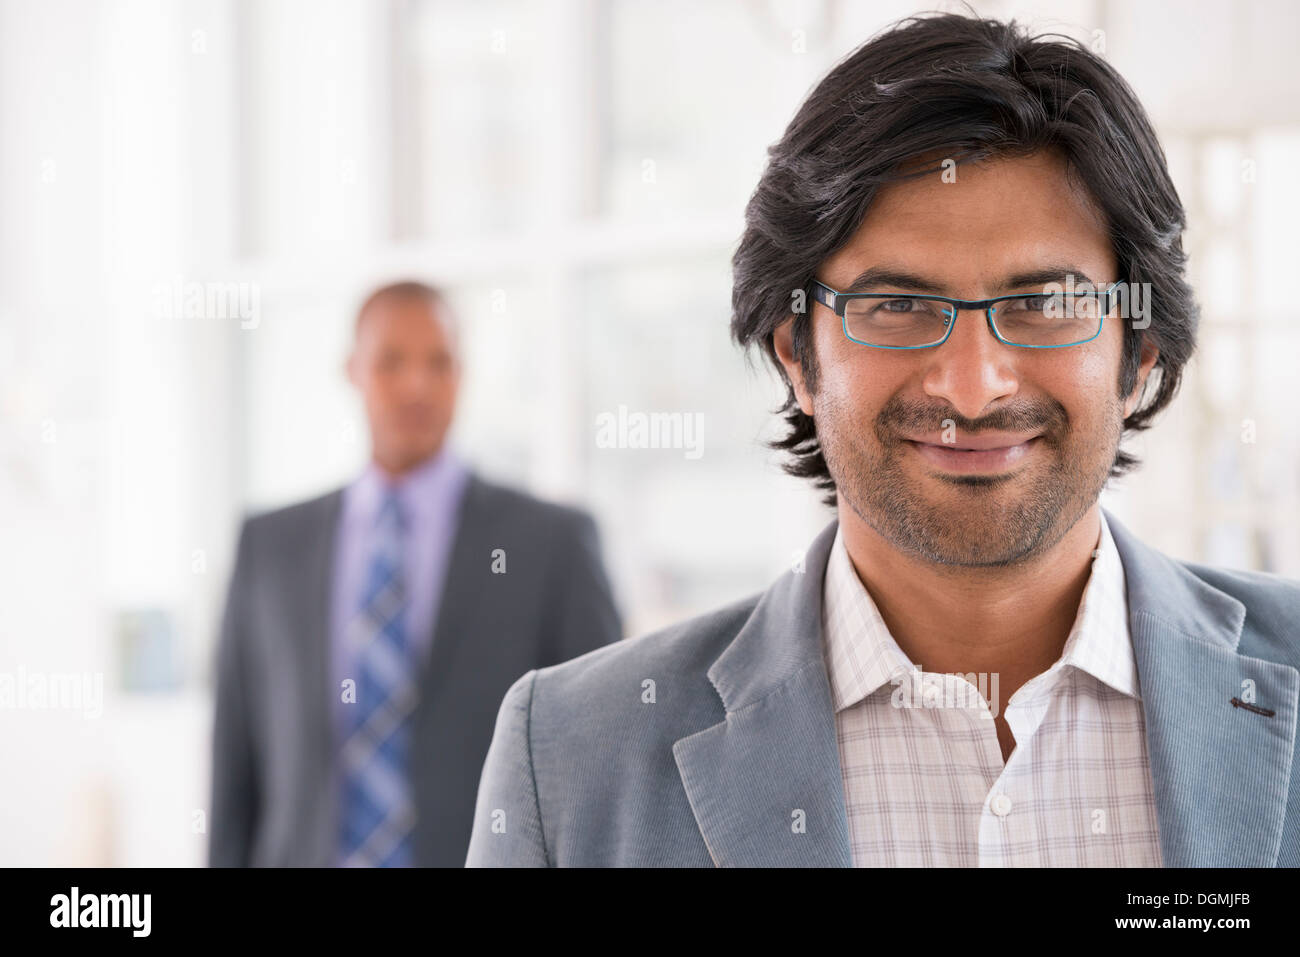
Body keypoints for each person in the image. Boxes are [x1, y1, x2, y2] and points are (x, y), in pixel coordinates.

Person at [466, 13, 1300, 867]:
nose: (972, 388)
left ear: (1140, 351)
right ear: (797, 351)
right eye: (898, 306)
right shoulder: (569, 760)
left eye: (1044, 304)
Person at [209, 281, 622, 867]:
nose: (416, 385)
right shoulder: (270, 547)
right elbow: (235, 765)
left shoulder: (551, 544)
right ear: (351, 370)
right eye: (391, 361)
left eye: (440, 362)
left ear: (463, 374)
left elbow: (602, 755)